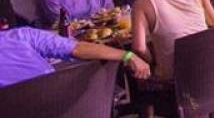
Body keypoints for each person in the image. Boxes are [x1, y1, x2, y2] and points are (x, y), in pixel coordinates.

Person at [130, 0, 214, 118]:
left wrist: (153, 61)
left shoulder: (142, 4)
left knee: (134, 67)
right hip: (209, 70)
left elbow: (139, 48)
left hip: (175, 77)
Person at [0, 25, 149, 88]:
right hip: (65, 115)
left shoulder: (23, 36)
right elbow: (78, 48)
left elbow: (78, 48)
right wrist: (128, 55)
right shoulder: (21, 36)